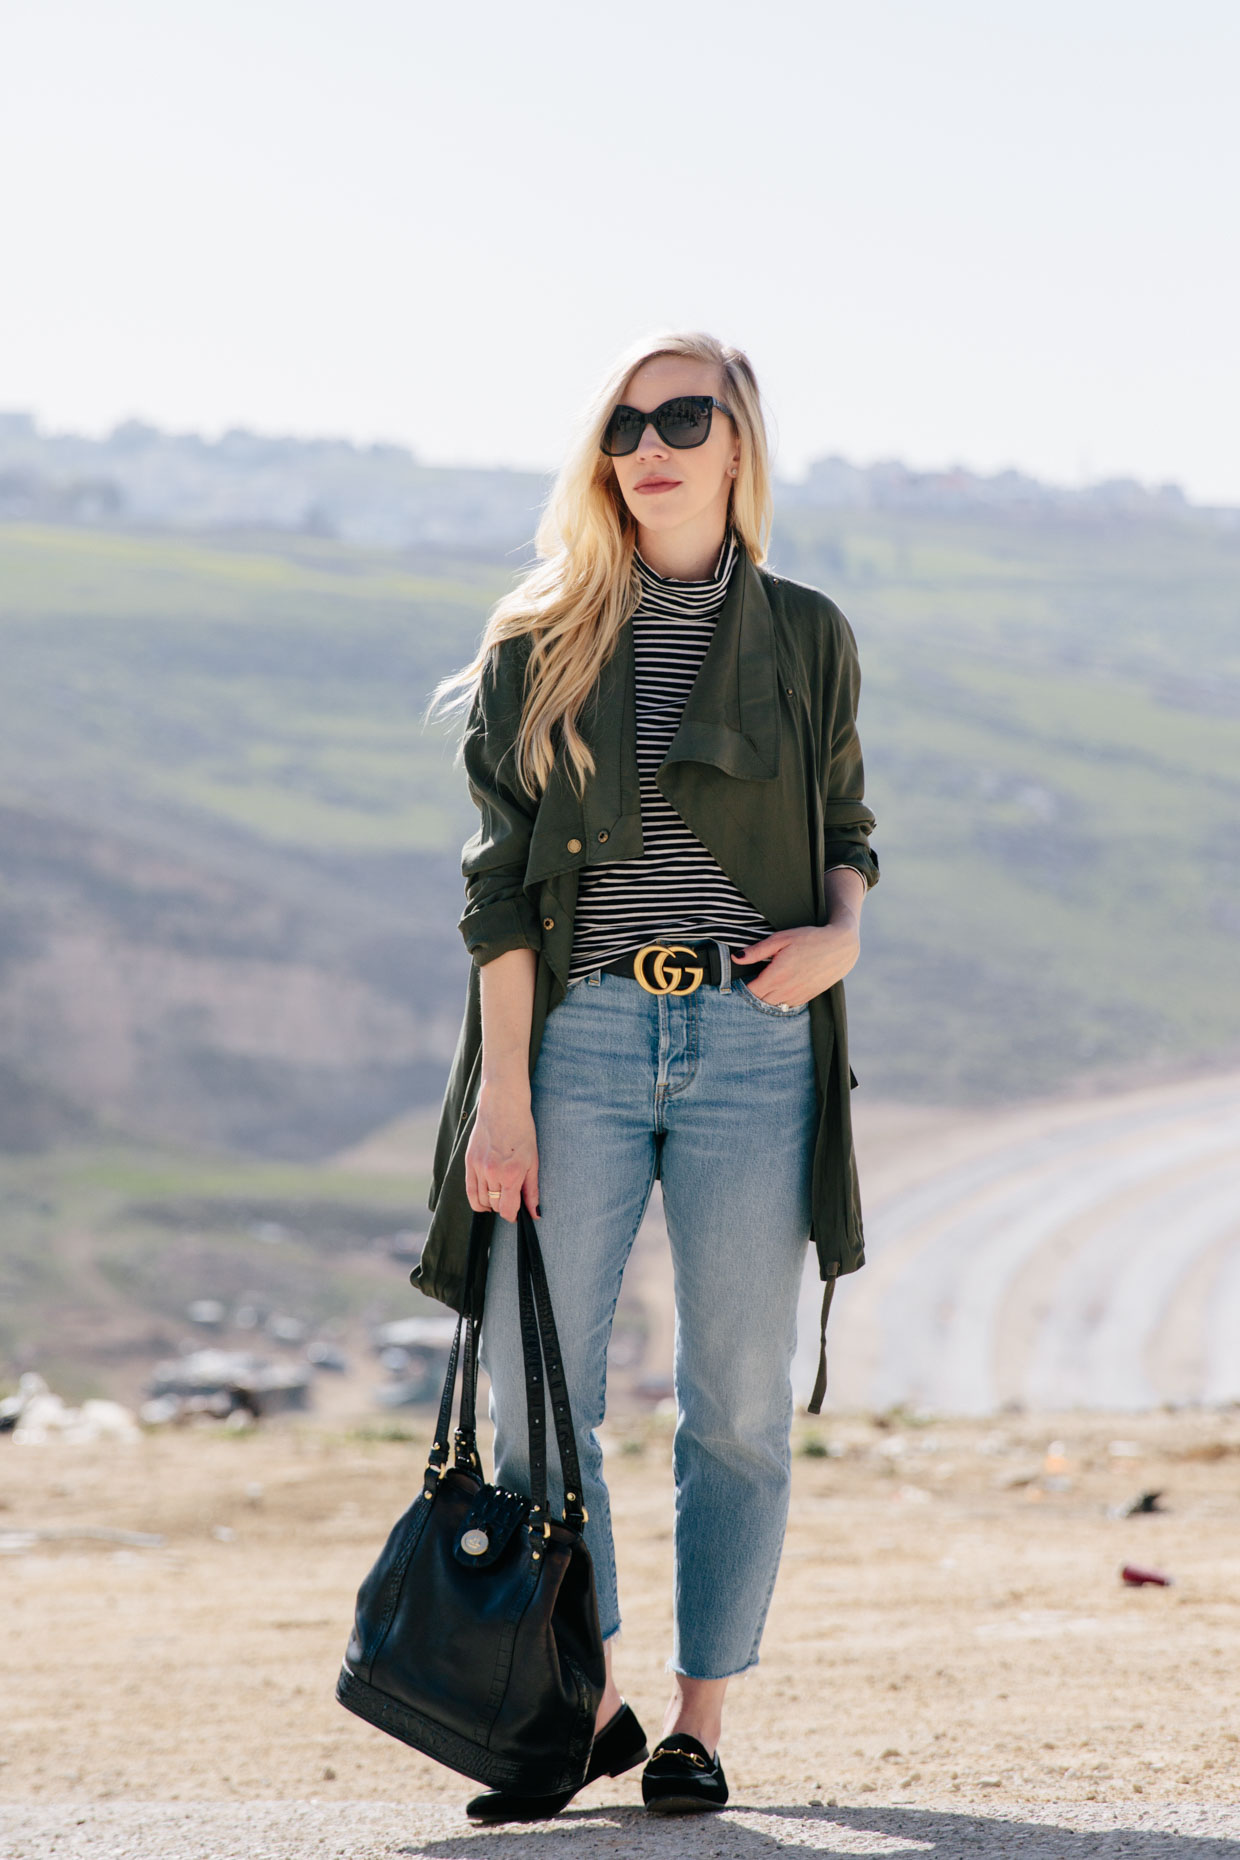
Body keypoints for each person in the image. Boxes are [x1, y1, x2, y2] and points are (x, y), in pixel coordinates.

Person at [418, 329, 879, 1819]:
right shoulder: (537, 640)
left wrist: (841, 936)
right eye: (627, 421)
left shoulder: (808, 633)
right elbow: (496, 894)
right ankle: (591, 1694)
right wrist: (502, 1096)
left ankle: (701, 1722)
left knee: (735, 1399)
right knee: (536, 1395)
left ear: (739, 444)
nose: (651, 442)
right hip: (578, 1044)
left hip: (755, 1037)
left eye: (686, 414)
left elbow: (848, 825)